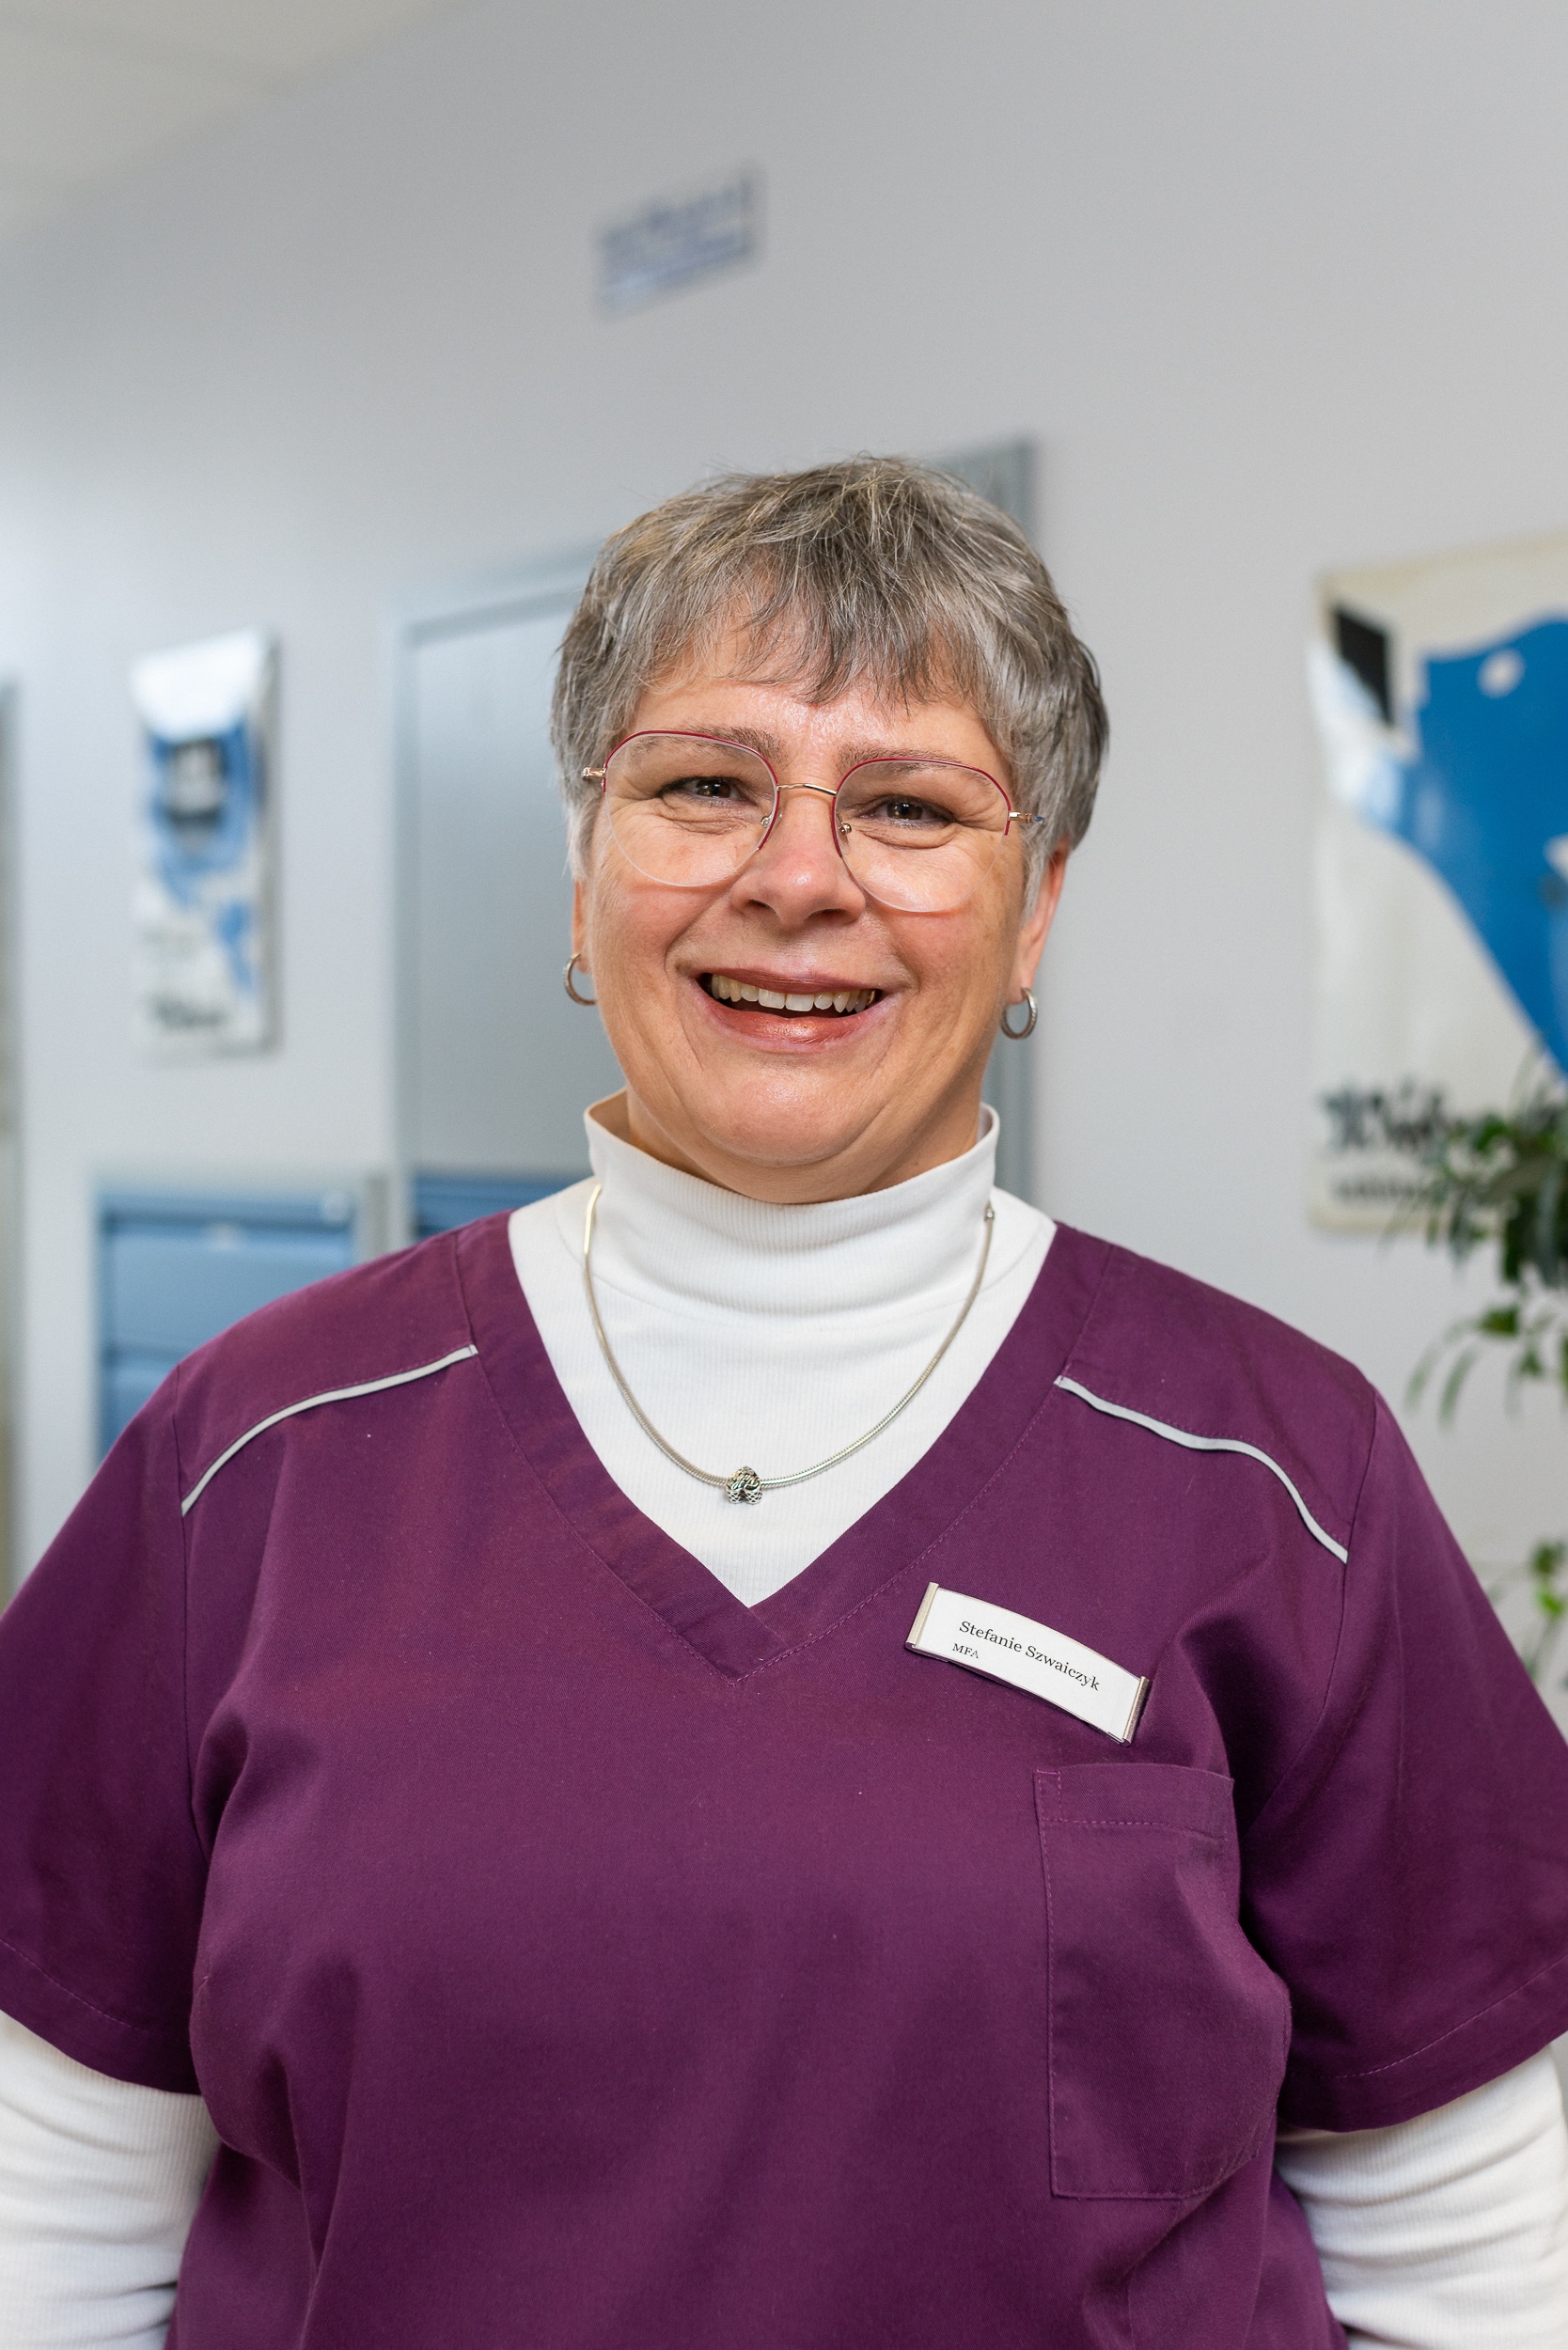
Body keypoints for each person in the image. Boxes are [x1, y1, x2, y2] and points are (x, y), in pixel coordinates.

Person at [2, 458, 1567, 2350]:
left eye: (908, 806)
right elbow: (49, 2226)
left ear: (1036, 911)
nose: (799, 877)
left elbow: (1477, 2264)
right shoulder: (256, 1451)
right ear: (583, 872)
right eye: (702, 786)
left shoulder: (1276, 1475)